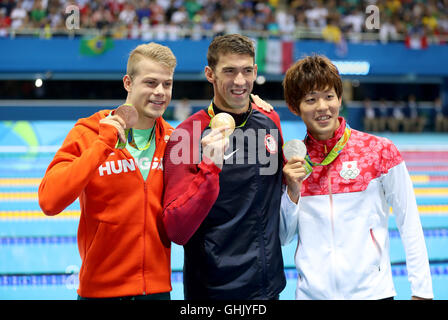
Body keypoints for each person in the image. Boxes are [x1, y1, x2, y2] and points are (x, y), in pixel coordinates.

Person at [280, 54, 433, 300]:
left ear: (340, 99)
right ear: (294, 107)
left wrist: (422, 291)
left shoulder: (379, 151)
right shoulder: (292, 163)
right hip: (311, 296)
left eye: (329, 96)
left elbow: (409, 221)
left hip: (373, 293)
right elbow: (284, 237)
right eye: (311, 99)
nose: (322, 107)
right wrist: (292, 191)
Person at [38, 43, 177, 300]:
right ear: (128, 82)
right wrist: (102, 145)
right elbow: (49, 201)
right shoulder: (88, 133)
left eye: (167, 84)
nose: (160, 92)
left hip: (157, 292)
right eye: (150, 82)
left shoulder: (174, 141)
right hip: (100, 291)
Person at [162, 34, 286, 300]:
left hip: (268, 287)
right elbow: (177, 230)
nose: (240, 81)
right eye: (229, 71)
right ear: (210, 74)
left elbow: (283, 185)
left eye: (247, 71)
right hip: (213, 291)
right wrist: (209, 168)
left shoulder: (269, 120)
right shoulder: (187, 136)